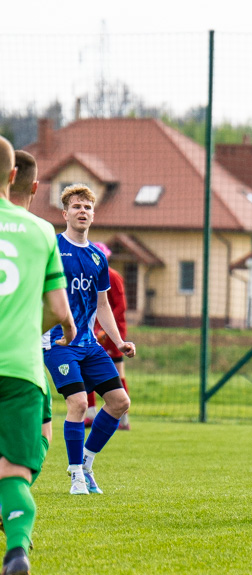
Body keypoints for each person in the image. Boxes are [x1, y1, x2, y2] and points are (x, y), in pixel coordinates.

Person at [0, 136, 76, 575]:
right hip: (20, 367)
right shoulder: (41, 231)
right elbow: (58, 310)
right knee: (16, 468)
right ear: (14, 178)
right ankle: (16, 551)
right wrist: (54, 328)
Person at [43, 184, 135, 496]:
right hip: (58, 344)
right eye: (77, 207)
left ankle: (86, 463)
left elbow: (104, 306)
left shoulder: (98, 257)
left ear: (93, 215)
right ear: (64, 213)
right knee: (79, 403)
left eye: (87, 207)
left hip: (88, 345)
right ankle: (75, 478)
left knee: (120, 402)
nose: (83, 212)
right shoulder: (52, 249)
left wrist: (119, 341)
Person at [6, 150, 54, 486]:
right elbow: (58, 306)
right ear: (35, 187)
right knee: (41, 433)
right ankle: (11, 496)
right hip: (25, 358)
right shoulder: (43, 231)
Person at [84, 241, 131, 431]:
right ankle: (90, 414)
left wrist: (107, 330)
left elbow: (120, 307)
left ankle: (124, 419)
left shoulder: (113, 276)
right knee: (86, 371)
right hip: (95, 333)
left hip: (112, 334)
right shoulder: (90, 276)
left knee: (118, 374)